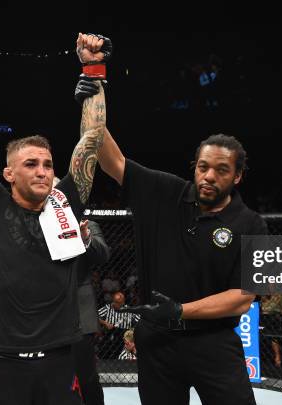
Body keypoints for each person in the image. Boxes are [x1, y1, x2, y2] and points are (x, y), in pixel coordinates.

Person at [0, 1, 109, 405]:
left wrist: (94, 70)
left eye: (48, 164)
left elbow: (91, 141)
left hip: (60, 357)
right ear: (8, 173)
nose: (42, 171)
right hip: (0, 359)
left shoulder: (63, 200)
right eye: (30, 164)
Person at [75, 63, 267, 404]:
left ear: (237, 177)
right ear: (194, 166)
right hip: (157, 343)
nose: (209, 176)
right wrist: (93, 88)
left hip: (215, 342)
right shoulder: (166, 192)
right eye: (203, 167)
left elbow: (242, 297)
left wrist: (180, 311)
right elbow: (111, 161)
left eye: (221, 170)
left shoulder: (251, 223)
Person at [72, 219, 110, 405]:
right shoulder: (37, 220)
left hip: (78, 311)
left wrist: (85, 236)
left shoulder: (86, 223)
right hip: (44, 309)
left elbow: (103, 254)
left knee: (86, 376)